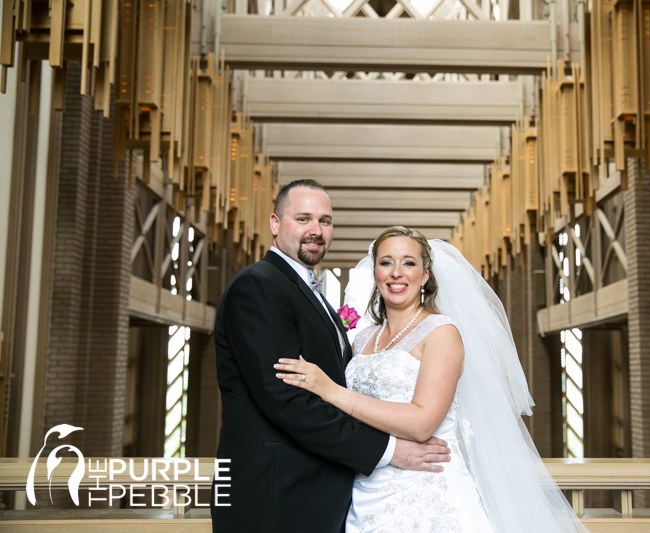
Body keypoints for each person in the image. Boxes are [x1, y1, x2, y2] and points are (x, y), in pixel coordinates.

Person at [276, 226, 590, 532]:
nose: (396, 272)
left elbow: (423, 422)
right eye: (386, 262)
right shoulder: (363, 339)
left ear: (425, 275)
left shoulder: (441, 333)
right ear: (375, 272)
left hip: (428, 493)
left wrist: (330, 391)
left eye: (408, 263)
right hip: (365, 488)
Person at [211, 183, 451, 533]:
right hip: (274, 494)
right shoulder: (258, 286)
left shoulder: (309, 293)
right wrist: (387, 451)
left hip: (324, 495)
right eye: (303, 218)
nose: (316, 230)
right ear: (275, 223)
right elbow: (286, 398)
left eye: (325, 221)